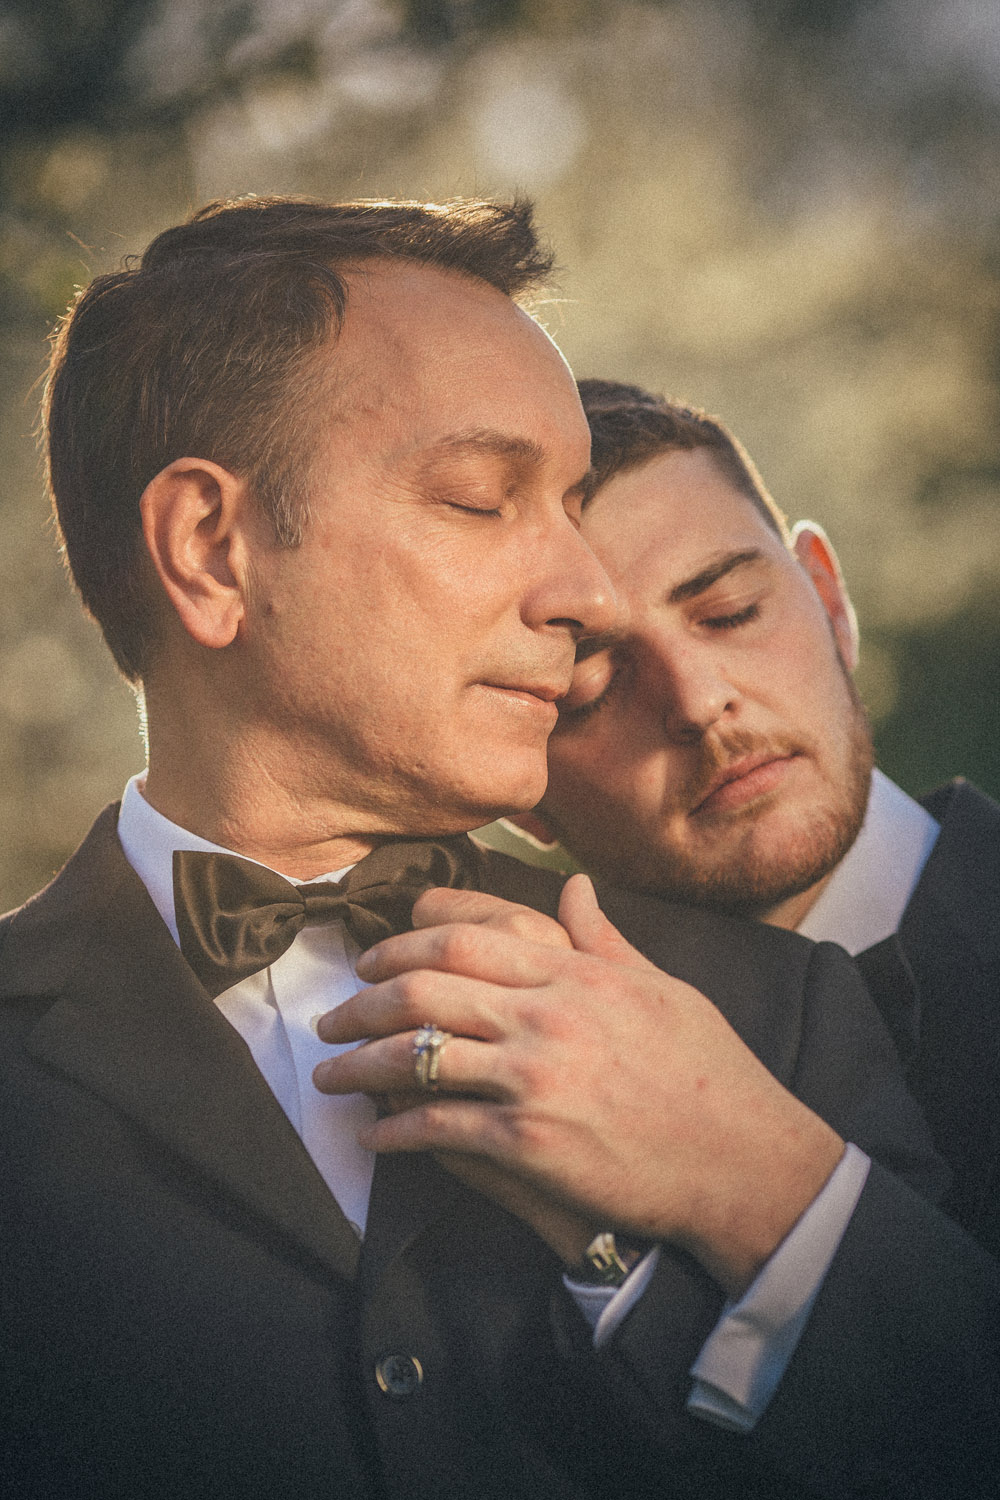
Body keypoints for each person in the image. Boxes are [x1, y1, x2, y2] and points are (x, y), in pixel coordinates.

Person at [0, 199, 993, 1500]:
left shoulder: (779, 1018)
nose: (584, 596)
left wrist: (751, 1193)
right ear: (210, 550)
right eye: (481, 498)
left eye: (570, 505)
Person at [524, 376, 1000, 1265]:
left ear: (828, 598)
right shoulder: (520, 1107)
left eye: (731, 613)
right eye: (592, 685)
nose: (700, 702)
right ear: (520, 781)